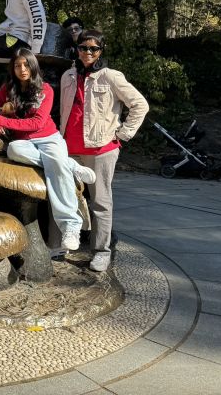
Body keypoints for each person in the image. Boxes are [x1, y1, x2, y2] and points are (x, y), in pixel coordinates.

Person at [0, 49, 95, 252]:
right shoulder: (8, 88)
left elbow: (37, 123)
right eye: (17, 66)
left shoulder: (45, 90)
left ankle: (71, 224)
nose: (22, 69)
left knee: (56, 167)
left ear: (33, 66)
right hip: (23, 143)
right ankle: (69, 165)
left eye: (26, 65)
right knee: (14, 151)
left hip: (48, 138)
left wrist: (0, 120)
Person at [59, 30, 149, 271]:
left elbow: (140, 104)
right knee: (65, 199)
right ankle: (63, 245)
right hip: (69, 149)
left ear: (101, 51)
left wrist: (123, 133)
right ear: (76, 49)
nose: (88, 53)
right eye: (83, 48)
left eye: (93, 49)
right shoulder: (67, 75)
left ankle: (101, 251)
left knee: (100, 202)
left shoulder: (111, 76)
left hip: (100, 149)